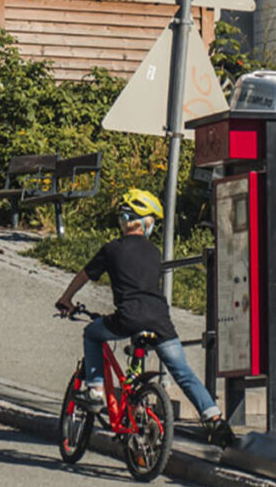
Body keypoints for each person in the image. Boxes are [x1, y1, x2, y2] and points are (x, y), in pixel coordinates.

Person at [55, 188, 234, 446]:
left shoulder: (111, 249)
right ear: (146, 223)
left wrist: (66, 299)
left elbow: (84, 276)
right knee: (182, 371)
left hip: (128, 318)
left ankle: (94, 391)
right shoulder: (153, 252)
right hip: (161, 320)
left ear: (125, 220)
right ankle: (214, 417)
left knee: (92, 333)